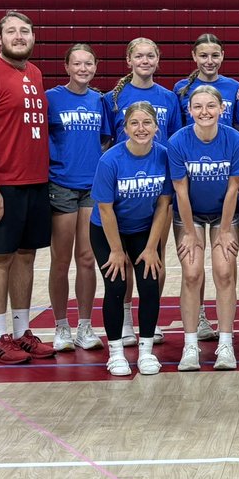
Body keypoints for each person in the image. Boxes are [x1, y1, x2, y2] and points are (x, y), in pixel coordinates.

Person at [0, 10, 56, 364]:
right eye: (12, 31)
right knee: (0, 258)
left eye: (25, 31)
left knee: (27, 256)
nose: (19, 36)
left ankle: (21, 332)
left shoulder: (34, 73)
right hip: (2, 186)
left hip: (35, 183)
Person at [104, 37, 183, 346]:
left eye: (151, 55)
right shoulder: (113, 97)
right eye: (139, 56)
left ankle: (151, 319)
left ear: (158, 59)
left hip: (158, 186)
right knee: (122, 258)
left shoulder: (169, 97)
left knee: (155, 256)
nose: (145, 60)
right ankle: (124, 319)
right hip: (126, 187)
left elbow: (174, 142)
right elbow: (109, 142)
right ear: (129, 60)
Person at [89, 102, 174, 377]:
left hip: (143, 230)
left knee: (149, 285)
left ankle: (146, 351)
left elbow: (163, 205)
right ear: (124, 128)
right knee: (116, 284)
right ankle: (115, 353)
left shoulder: (163, 156)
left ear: (156, 126)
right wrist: (116, 250)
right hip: (108, 230)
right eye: (134, 123)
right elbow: (105, 208)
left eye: (147, 123)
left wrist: (152, 248)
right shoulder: (110, 160)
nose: (141, 128)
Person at [168, 85, 239, 372]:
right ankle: (191, 345)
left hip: (223, 215)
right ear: (189, 111)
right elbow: (181, 191)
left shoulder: (235, 140)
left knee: (224, 272)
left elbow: (233, 187)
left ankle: (225, 343)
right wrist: (189, 231)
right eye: (198, 106)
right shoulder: (178, 142)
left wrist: (225, 229)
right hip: (189, 215)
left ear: (221, 109)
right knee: (191, 273)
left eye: (210, 106)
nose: (204, 111)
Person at [45, 43, 110, 353]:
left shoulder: (100, 101)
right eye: (77, 64)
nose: (83, 69)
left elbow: (105, 139)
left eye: (88, 64)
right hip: (61, 186)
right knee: (60, 259)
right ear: (67, 67)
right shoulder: (52, 98)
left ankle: (85, 325)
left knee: (87, 258)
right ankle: (61, 325)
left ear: (95, 67)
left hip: (91, 188)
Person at [174, 33, 239, 128]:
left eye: (215, 55)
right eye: (203, 56)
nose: (210, 61)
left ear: (222, 55)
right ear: (194, 56)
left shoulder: (234, 86)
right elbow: (177, 126)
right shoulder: (181, 87)